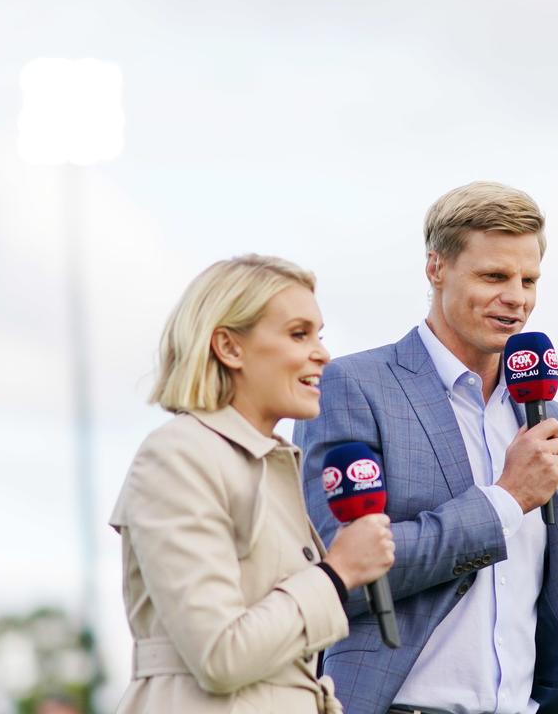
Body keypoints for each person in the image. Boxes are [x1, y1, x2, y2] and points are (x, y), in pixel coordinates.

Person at [295, 182, 558, 714]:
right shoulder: (353, 387)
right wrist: (505, 500)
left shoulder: (555, 420)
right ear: (436, 268)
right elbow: (339, 575)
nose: (516, 297)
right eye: (494, 276)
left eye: (529, 279)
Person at [110, 254, 396, 714]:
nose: (322, 352)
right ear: (229, 347)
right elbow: (220, 656)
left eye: (319, 335)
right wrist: (338, 572)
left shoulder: (268, 461)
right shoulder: (177, 455)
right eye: (299, 334)